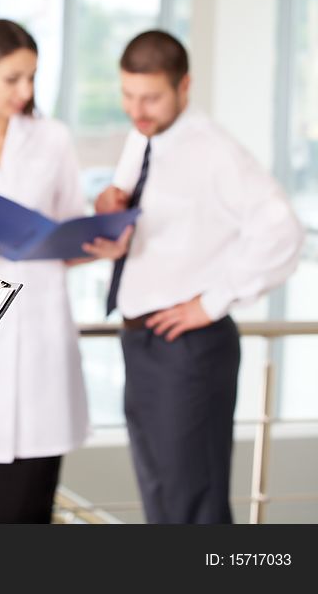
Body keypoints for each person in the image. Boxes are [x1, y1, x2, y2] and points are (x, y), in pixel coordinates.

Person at [0, 19, 130, 523]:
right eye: (12, 78)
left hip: (38, 332)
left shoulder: (51, 138)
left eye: (32, 78)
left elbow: (64, 234)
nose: (25, 91)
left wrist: (98, 243)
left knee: (29, 504)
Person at [95, 29, 303, 524]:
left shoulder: (215, 152)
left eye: (150, 97)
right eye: (127, 95)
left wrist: (211, 302)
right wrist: (110, 207)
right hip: (143, 341)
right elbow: (142, 221)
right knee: (163, 503)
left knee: (194, 509)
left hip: (189, 349)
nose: (136, 109)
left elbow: (283, 231)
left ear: (184, 87)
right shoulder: (145, 137)